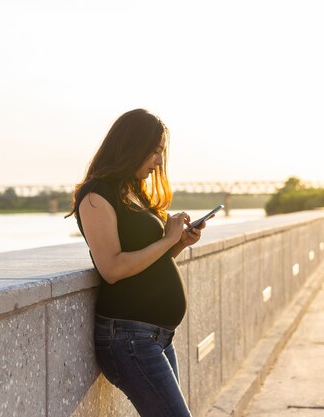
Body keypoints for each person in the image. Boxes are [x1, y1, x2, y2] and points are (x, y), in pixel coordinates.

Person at [66, 109, 205, 417]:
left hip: (157, 336)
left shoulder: (133, 191)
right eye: (154, 152)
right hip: (128, 338)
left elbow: (149, 263)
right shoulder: (96, 195)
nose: (158, 161)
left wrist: (179, 242)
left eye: (161, 153)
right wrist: (168, 238)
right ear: (132, 147)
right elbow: (112, 269)